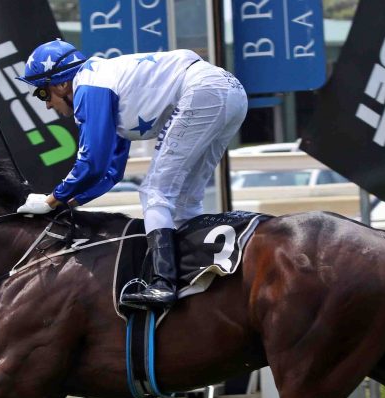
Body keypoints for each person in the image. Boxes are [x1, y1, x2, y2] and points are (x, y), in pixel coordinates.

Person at [15, 39, 248, 308]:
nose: (46, 105)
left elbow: (91, 163)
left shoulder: (88, 88)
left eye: (42, 93)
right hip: (231, 90)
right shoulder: (103, 81)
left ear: (60, 84)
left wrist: (49, 201)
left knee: (154, 192)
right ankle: (198, 273)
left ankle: (163, 284)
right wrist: (67, 202)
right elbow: (111, 172)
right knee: (185, 200)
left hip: (204, 91)